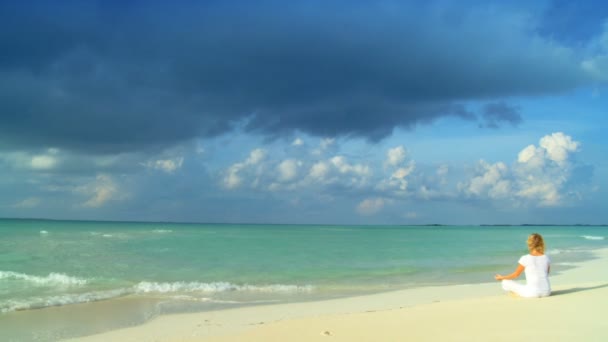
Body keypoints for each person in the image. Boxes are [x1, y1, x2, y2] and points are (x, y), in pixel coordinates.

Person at [494, 233, 551, 298]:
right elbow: (546, 274)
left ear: (529, 244)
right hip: (547, 292)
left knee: (505, 282)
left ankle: (517, 294)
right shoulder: (546, 257)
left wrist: (501, 278)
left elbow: (516, 275)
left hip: (532, 293)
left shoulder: (525, 258)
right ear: (542, 243)